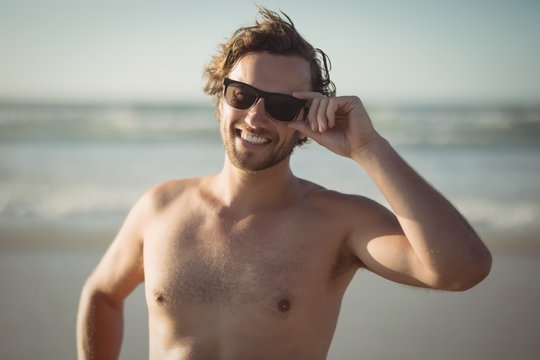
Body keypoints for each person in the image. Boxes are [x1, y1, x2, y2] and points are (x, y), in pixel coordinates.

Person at [77, 7, 491, 360]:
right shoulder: (160, 207)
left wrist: (369, 148)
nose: (256, 118)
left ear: (307, 120)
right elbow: (102, 295)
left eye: (281, 105)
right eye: (241, 95)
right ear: (220, 100)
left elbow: (461, 270)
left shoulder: (339, 223)